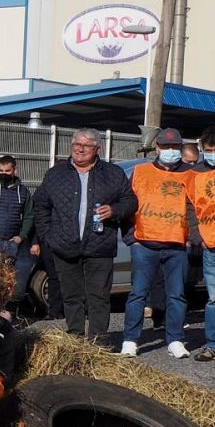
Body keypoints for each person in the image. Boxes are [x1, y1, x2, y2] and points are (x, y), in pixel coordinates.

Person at [34, 129, 136, 343]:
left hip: (100, 246)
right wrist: (47, 236)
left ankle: (99, 343)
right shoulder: (55, 174)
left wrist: (115, 210)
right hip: (64, 246)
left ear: (97, 149)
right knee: (71, 297)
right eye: (76, 145)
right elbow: (41, 205)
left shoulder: (113, 173)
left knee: (99, 297)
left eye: (86, 145)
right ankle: (76, 340)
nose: (80, 149)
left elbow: (130, 202)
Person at [121, 128, 192, 358]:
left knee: (177, 295)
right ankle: (130, 340)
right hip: (145, 244)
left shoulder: (190, 174)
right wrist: (131, 238)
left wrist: (192, 237)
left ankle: (175, 339)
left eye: (175, 147)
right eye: (166, 146)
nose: (170, 151)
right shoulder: (140, 172)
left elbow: (197, 208)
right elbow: (126, 204)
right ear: (157, 148)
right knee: (138, 294)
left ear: (180, 149)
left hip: (177, 246)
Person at [189, 127, 215, 361]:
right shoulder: (194, 175)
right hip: (212, 246)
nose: (213, 154)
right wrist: (197, 236)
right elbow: (189, 207)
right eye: (209, 150)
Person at [0, 156, 35, 307]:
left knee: (12, 282)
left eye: (7, 171)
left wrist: (21, 236)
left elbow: (29, 216)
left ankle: (10, 313)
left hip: (13, 243)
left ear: (15, 170)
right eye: (1, 170)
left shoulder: (24, 191)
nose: (4, 173)